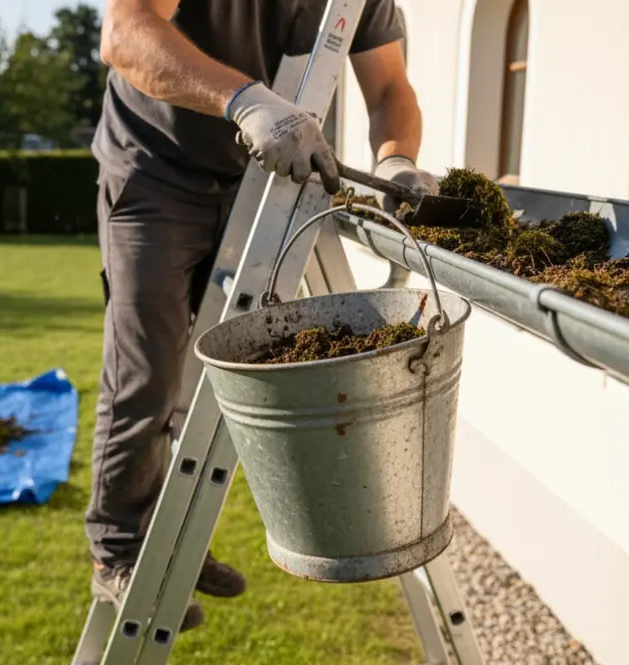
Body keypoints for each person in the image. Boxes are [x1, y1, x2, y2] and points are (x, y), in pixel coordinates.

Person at [85, 0, 439, 632]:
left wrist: (395, 159)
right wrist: (248, 101)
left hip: (262, 183)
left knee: (229, 378)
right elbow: (124, 32)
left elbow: (388, 86)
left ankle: (175, 543)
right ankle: (118, 550)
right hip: (154, 170)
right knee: (147, 377)